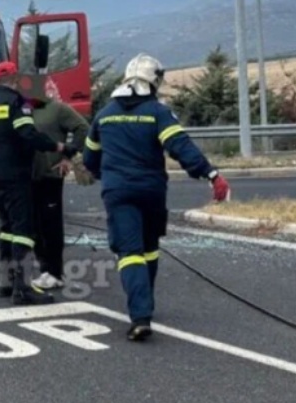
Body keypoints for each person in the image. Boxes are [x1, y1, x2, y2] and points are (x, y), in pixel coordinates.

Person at [82, 53, 230, 341]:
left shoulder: (104, 114)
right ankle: (144, 304)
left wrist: (107, 175)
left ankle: (140, 315)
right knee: (148, 248)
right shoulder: (157, 112)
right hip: (151, 190)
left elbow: (90, 159)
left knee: (130, 252)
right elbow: (180, 146)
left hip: (118, 192)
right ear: (154, 81)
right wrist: (211, 174)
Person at [0, 61, 73, 305]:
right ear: (15, 80)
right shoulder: (18, 103)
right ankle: (22, 288)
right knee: (24, 231)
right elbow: (28, 135)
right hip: (15, 175)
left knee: (7, 228)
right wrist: (59, 147)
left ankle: (6, 282)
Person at [28, 80, 90, 292]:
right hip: (30, 175)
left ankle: (54, 272)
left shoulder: (58, 109)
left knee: (51, 225)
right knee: (35, 224)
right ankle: (45, 268)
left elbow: (83, 128)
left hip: (51, 174)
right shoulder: (28, 111)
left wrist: (68, 156)